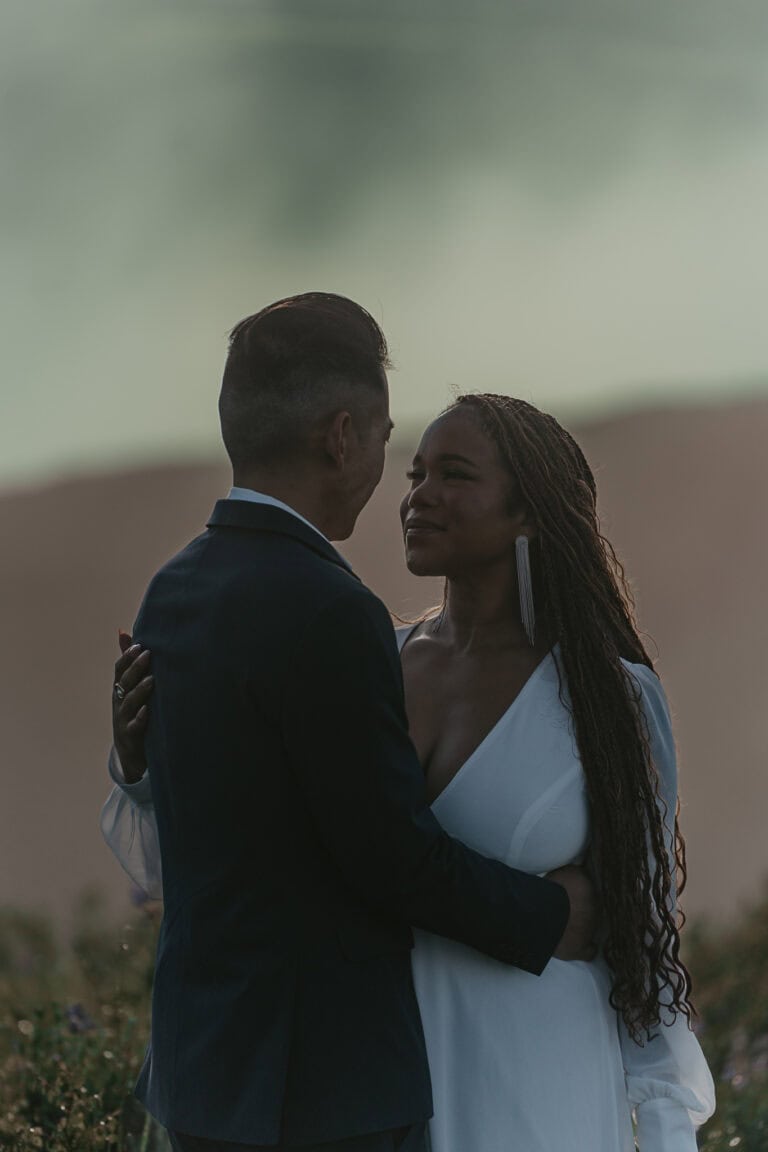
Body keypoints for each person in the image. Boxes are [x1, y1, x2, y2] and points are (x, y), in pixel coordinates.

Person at [108, 385, 716, 1150]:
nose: (420, 496)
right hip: (372, 1082)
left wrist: (666, 1129)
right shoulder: (371, 663)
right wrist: (143, 767)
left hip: (534, 1077)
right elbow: (254, 863)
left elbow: (645, 941)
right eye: (414, 473)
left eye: (455, 475)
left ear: (528, 511)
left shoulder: (610, 699)